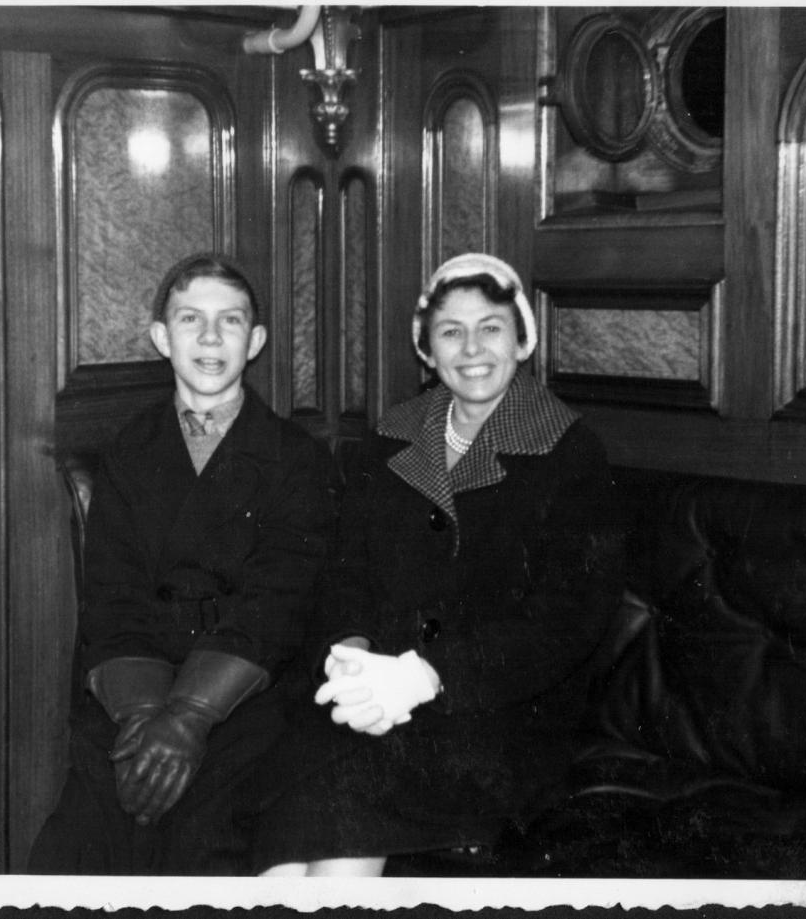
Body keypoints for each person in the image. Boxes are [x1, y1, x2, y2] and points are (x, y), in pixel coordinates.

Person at [248, 252, 623, 876]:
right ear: (427, 350)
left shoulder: (569, 451)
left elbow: (569, 623)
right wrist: (351, 652)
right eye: (451, 331)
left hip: (496, 720)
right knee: (286, 821)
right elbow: (348, 571)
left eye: (492, 328)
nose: (472, 347)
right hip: (377, 693)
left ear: (522, 340)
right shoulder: (393, 437)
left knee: (342, 813)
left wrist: (425, 677)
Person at [29, 253, 334, 875]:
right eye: (191, 319)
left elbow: (277, 605)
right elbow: (111, 597)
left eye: (231, 321)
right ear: (163, 338)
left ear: (256, 342)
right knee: (81, 840)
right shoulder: (127, 450)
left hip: (243, 692)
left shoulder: (298, 459)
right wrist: (148, 719)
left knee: (200, 838)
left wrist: (191, 715)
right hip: (132, 685)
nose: (211, 338)